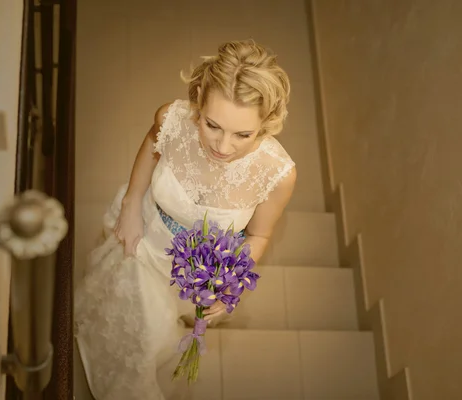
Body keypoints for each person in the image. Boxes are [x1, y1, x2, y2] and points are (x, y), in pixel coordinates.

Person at [74, 39, 297, 399]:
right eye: (212, 125)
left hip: (198, 274)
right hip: (145, 241)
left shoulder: (277, 174)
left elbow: (259, 236)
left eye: (243, 134)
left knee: (164, 323)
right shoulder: (172, 119)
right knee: (140, 334)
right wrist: (132, 205)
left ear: (267, 124)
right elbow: (151, 144)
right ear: (197, 104)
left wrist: (229, 286)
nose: (223, 147)